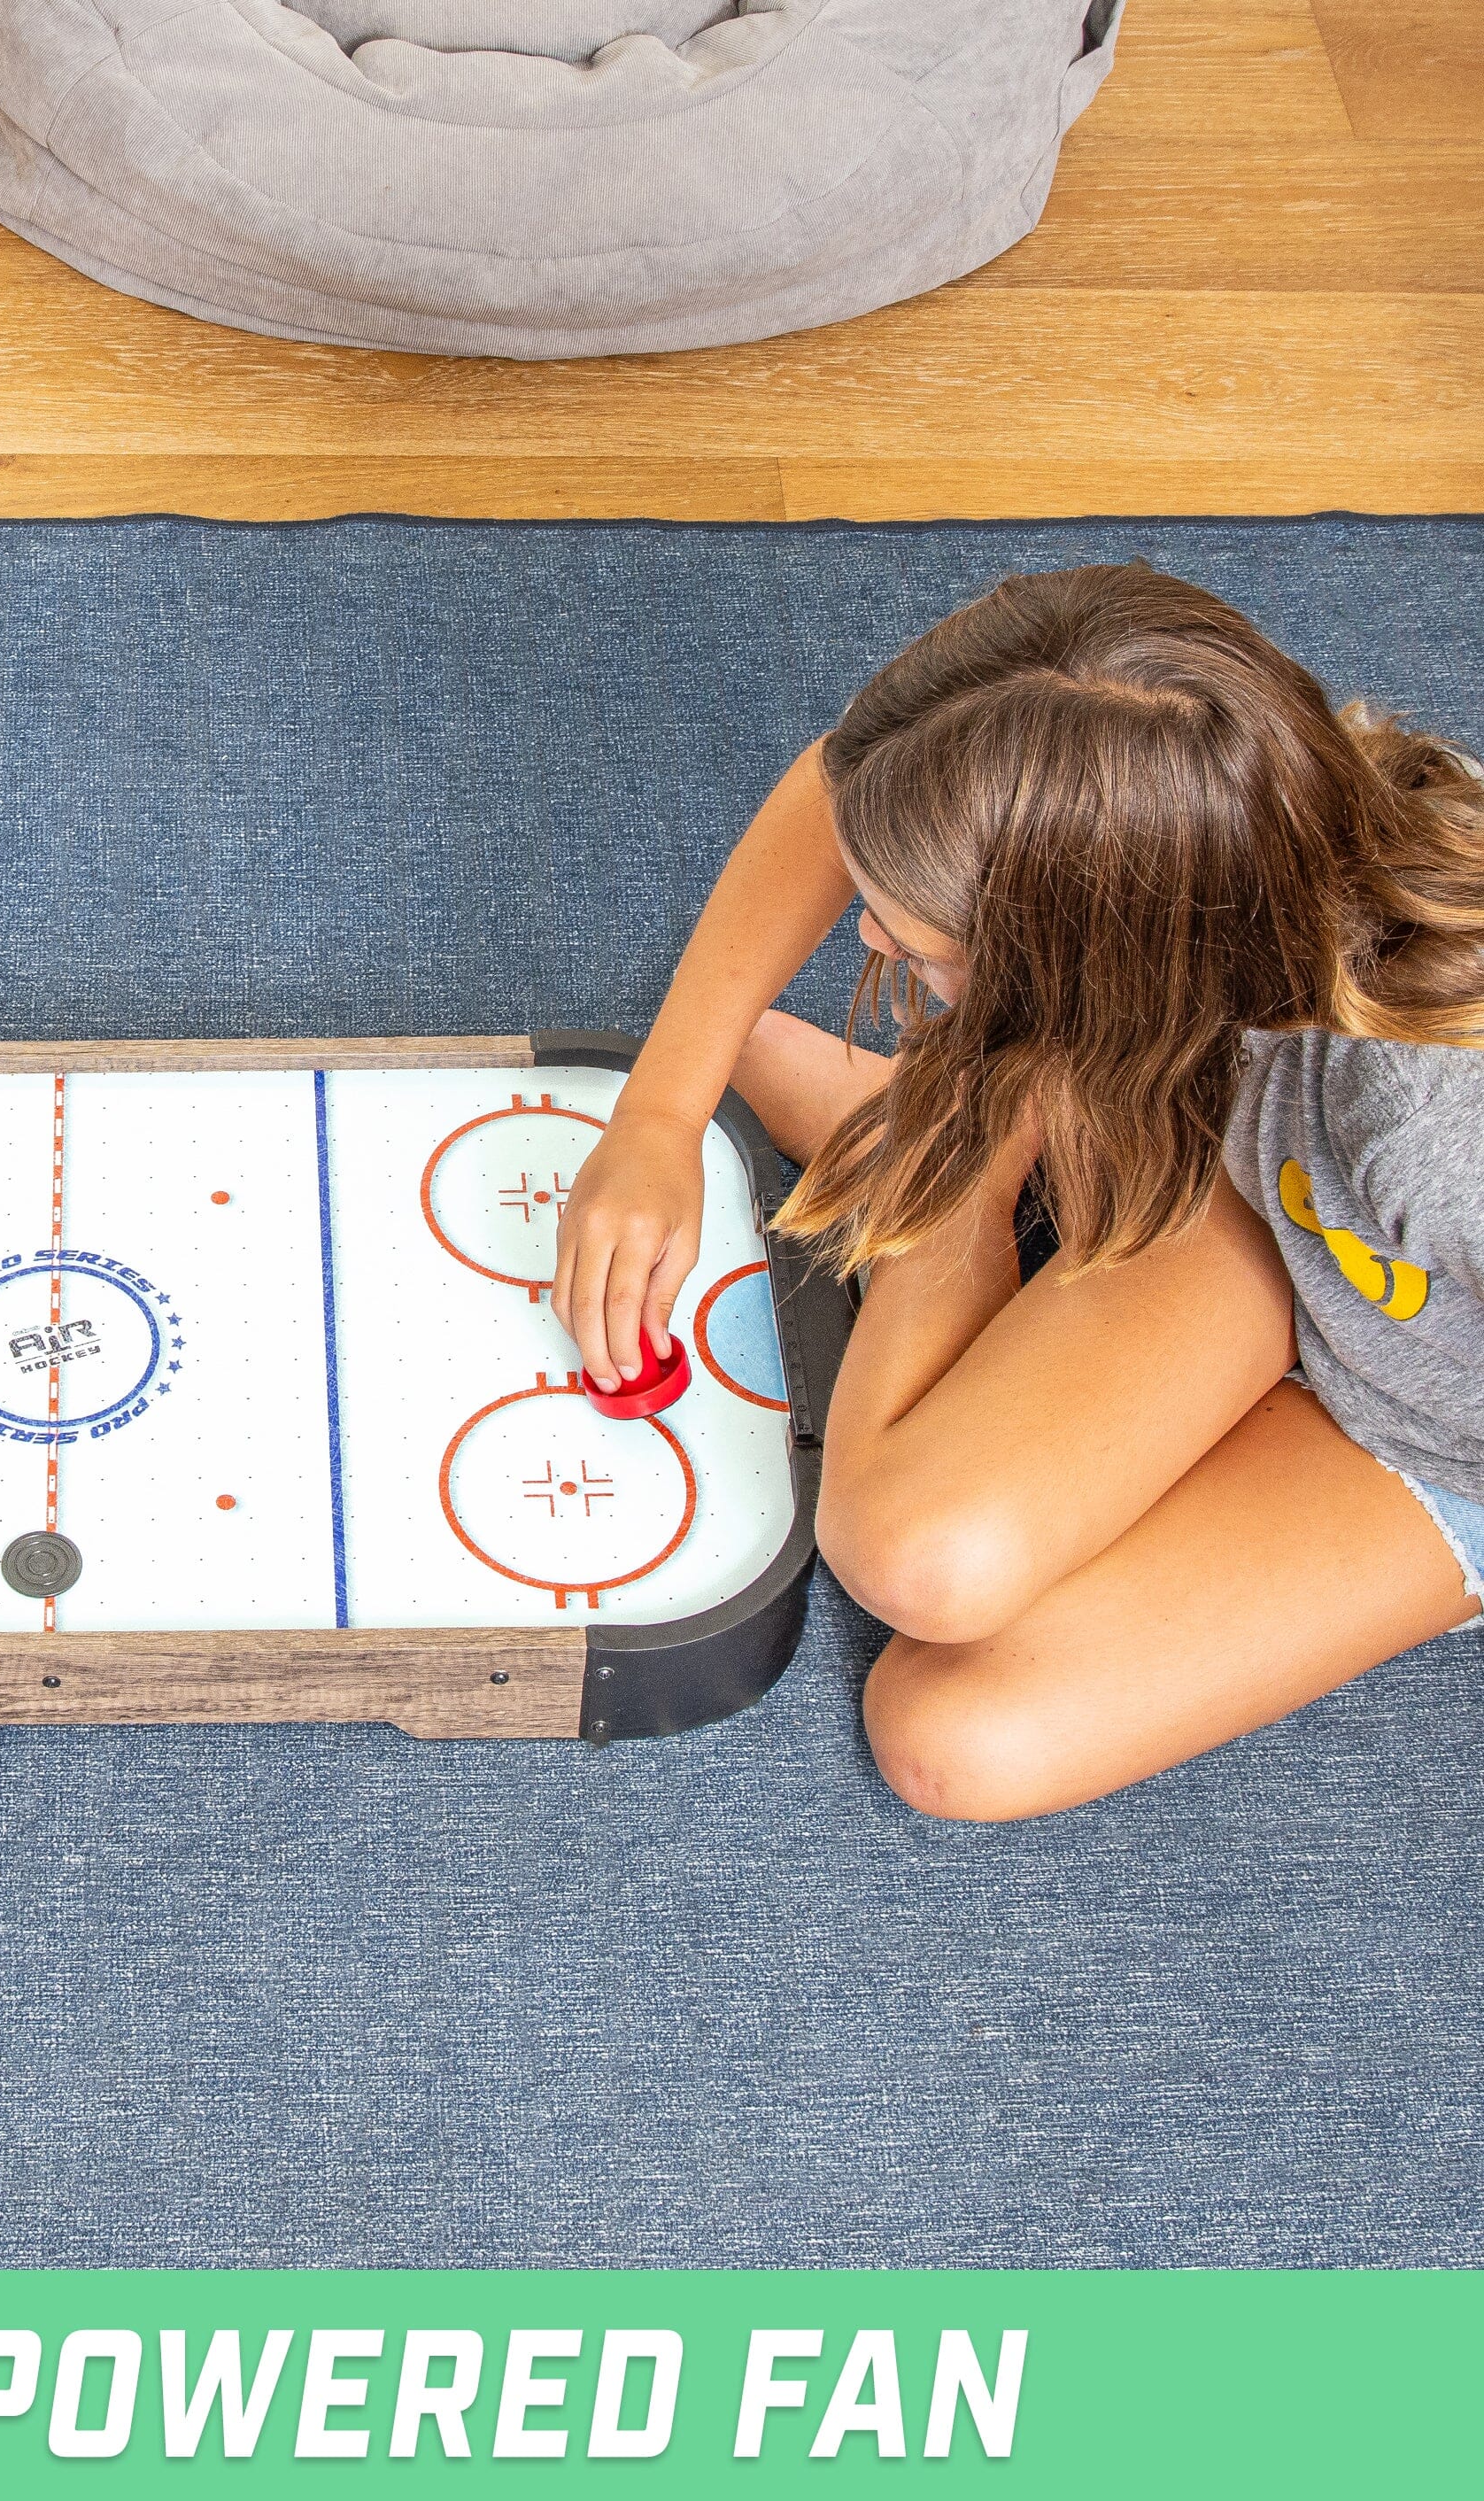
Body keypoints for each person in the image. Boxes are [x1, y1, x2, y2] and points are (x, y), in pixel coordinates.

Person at [553, 565, 1483, 1820]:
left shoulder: (1434, 1131)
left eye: (924, 943)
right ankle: (959, 1143)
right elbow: (845, 785)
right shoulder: (1211, 774)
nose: (872, 941)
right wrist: (659, 1113)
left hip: (1433, 1425)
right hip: (1247, 1174)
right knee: (925, 1554)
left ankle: (940, 1166)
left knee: (946, 1723)